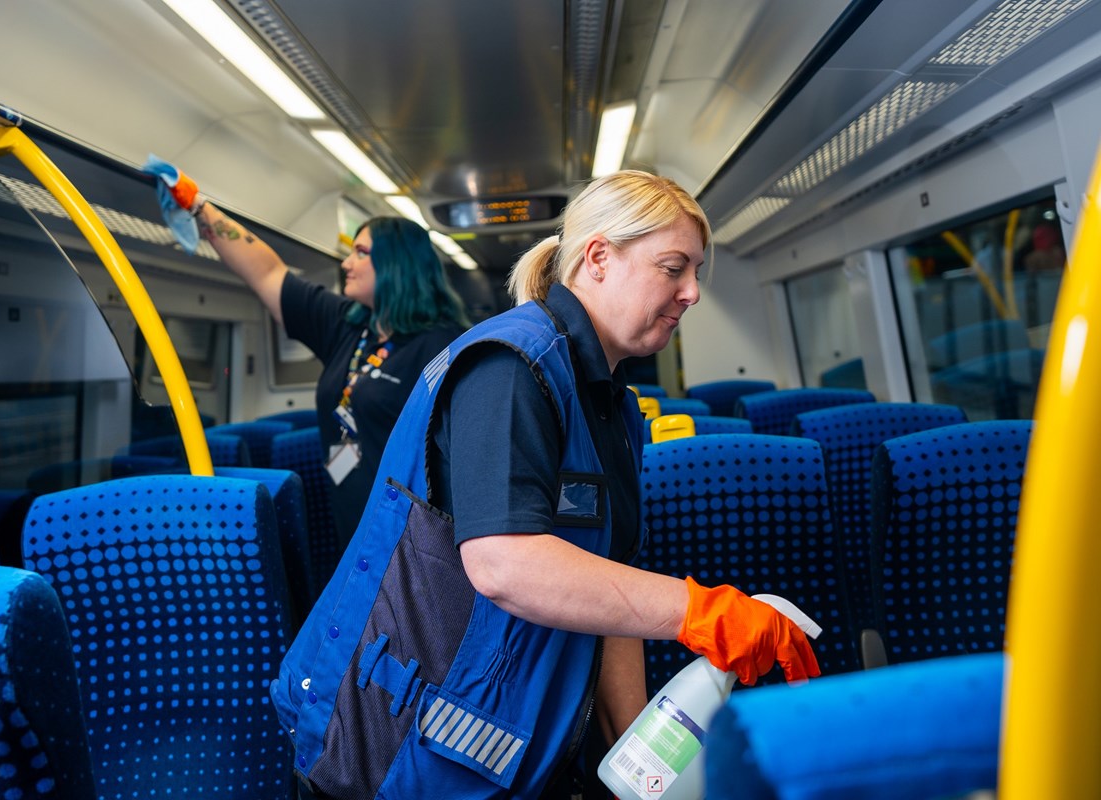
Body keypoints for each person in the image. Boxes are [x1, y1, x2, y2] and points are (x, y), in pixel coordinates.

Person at [270, 170, 820, 799]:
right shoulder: (511, 367)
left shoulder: (610, 405)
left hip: (509, 744)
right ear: (600, 258)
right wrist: (699, 611)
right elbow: (506, 564)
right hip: (395, 752)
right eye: (674, 268)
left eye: (696, 272)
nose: (693, 291)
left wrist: (632, 762)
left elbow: (609, 592)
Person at [145, 158, 470, 551]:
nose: (346, 263)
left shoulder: (445, 345)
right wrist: (198, 206)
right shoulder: (349, 325)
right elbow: (267, 274)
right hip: (351, 530)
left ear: (398, 265)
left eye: (361, 253)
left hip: (414, 542)